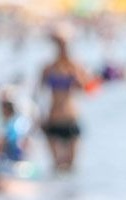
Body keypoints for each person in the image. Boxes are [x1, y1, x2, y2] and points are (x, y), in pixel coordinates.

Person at [39, 26, 91, 172]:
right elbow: (38, 94)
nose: (63, 48)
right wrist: (39, 117)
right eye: (60, 45)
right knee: (56, 167)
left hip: (70, 117)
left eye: (65, 45)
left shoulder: (75, 67)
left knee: (71, 168)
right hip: (53, 118)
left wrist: (76, 78)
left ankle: (69, 194)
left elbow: (87, 89)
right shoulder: (47, 68)